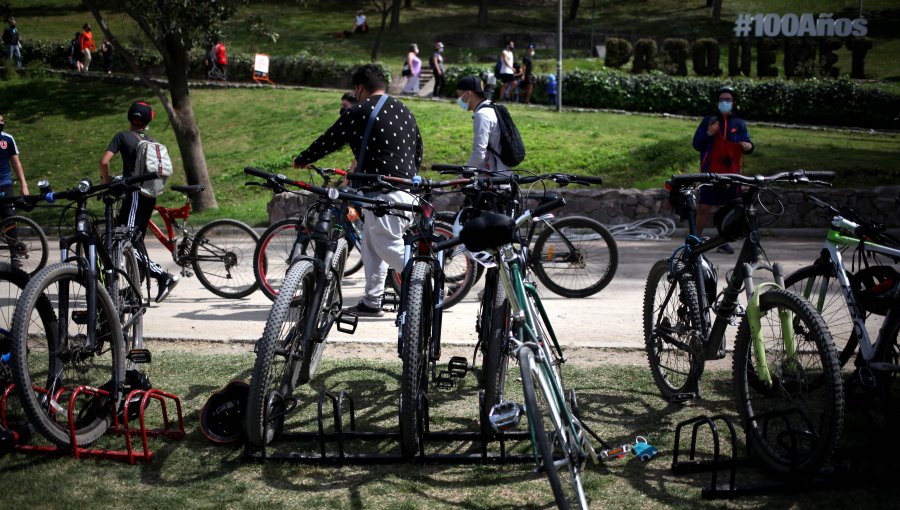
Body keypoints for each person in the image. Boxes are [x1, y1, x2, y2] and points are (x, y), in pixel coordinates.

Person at [293, 64, 422, 317]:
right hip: (406, 192)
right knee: (372, 247)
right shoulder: (405, 110)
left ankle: (424, 278)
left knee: (386, 246)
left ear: (360, 88)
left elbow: (331, 138)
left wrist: (304, 158)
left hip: (384, 195)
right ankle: (372, 302)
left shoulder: (360, 111)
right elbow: (418, 150)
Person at [99, 102, 179, 303]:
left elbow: (104, 162)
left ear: (130, 118)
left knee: (125, 241)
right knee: (136, 242)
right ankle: (135, 291)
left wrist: (107, 182)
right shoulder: (151, 141)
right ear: (147, 121)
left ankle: (162, 276)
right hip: (149, 196)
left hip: (133, 194)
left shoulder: (121, 137)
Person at [691, 86, 755, 254]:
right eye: (721, 100)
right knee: (704, 207)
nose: (724, 102)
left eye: (728, 100)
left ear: (734, 102)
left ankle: (723, 241)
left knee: (727, 208)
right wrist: (709, 133)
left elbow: (747, 143)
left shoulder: (739, 124)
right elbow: (697, 144)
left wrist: (749, 146)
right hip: (710, 171)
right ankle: (694, 239)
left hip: (731, 173)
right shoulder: (709, 120)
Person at [455, 76, 509, 174]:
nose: (458, 99)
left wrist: (463, 177)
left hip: (494, 178)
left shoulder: (482, 115)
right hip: (502, 173)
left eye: (459, 95)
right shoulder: (492, 107)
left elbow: (479, 153)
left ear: (468, 93)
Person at [0, 113, 29, 268]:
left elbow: (16, 163)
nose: (1, 123)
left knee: (10, 218)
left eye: (2, 121)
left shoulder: (7, 139)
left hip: (5, 184)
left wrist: (24, 185)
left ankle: (15, 255)